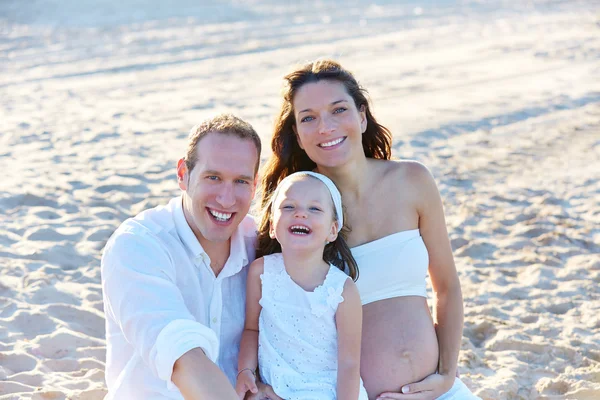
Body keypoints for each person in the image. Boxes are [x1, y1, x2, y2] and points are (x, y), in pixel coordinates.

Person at [260, 60, 481, 400]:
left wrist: (448, 375)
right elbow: (276, 314)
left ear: (361, 116)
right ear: (298, 136)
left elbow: (447, 287)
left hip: (436, 390)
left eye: (338, 110)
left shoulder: (413, 180)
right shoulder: (298, 214)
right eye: (308, 118)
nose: (325, 127)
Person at [101, 114, 280, 400]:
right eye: (213, 177)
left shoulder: (260, 245)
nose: (226, 198)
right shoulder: (138, 245)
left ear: (255, 185)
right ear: (183, 174)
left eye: (241, 182)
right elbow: (183, 359)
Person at [236, 171, 368, 400]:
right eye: (288, 207)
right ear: (271, 226)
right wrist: (245, 371)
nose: (300, 214)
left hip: (325, 393)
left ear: (332, 230)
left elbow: (348, 363)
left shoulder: (342, 290)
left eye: (314, 209)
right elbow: (251, 329)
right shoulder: (261, 272)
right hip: (273, 390)